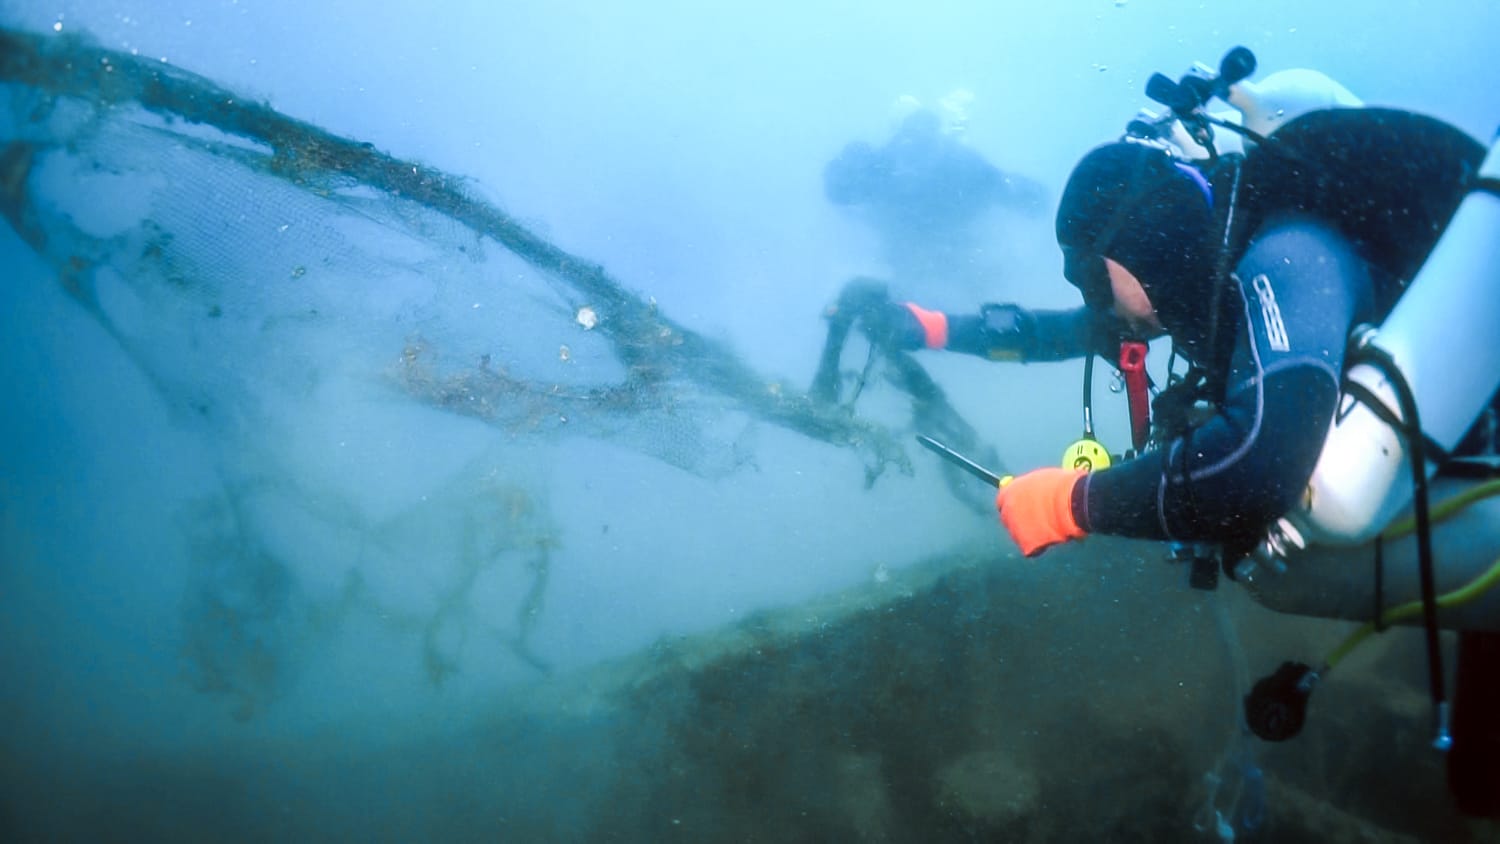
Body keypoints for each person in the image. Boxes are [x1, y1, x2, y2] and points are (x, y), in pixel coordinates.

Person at [854, 106, 1489, 562]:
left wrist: (1074, 502)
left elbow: (1264, 463)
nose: (1094, 302)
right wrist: (932, 328)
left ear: (1139, 242)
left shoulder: (1287, 256)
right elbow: (1057, 335)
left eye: (1092, 276)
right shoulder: (1189, 280)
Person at [823, 91, 1047, 293]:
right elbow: (1028, 198)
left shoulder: (884, 165)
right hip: (959, 269)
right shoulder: (960, 160)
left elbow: (840, 192)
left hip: (925, 271)